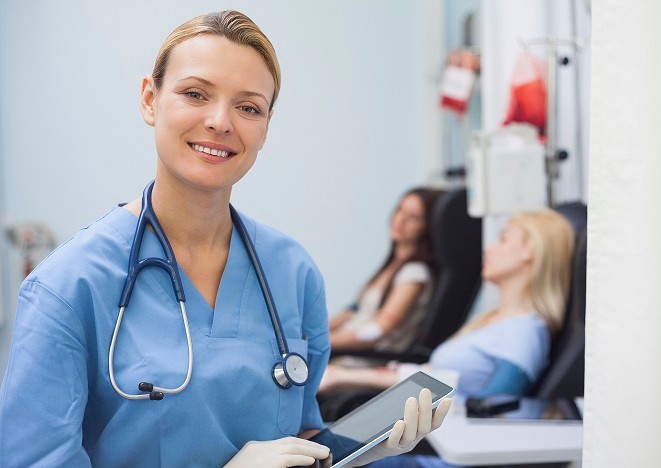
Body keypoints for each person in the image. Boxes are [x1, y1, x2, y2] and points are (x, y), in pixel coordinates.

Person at [0, 11, 450, 467]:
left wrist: (364, 449)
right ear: (150, 100)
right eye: (195, 94)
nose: (220, 121)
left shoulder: (292, 271)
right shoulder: (68, 285)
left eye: (249, 107)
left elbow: (299, 433)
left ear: (266, 126)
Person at [319, 209, 575, 449]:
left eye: (504, 239)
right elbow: (443, 381)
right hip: (436, 435)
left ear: (530, 251)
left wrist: (346, 376)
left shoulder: (524, 332)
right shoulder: (490, 320)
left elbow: (485, 410)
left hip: (449, 450)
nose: (489, 248)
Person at [329, 188, 442, 353]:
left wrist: (320, 343)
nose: (400, 220)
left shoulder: (414, 274)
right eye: (400, 210)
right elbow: (353, 311)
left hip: (361, 358)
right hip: (342, 349)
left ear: (427, 226)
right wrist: (308, 335)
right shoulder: (391, 266)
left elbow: (376, 332)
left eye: (413, 217)